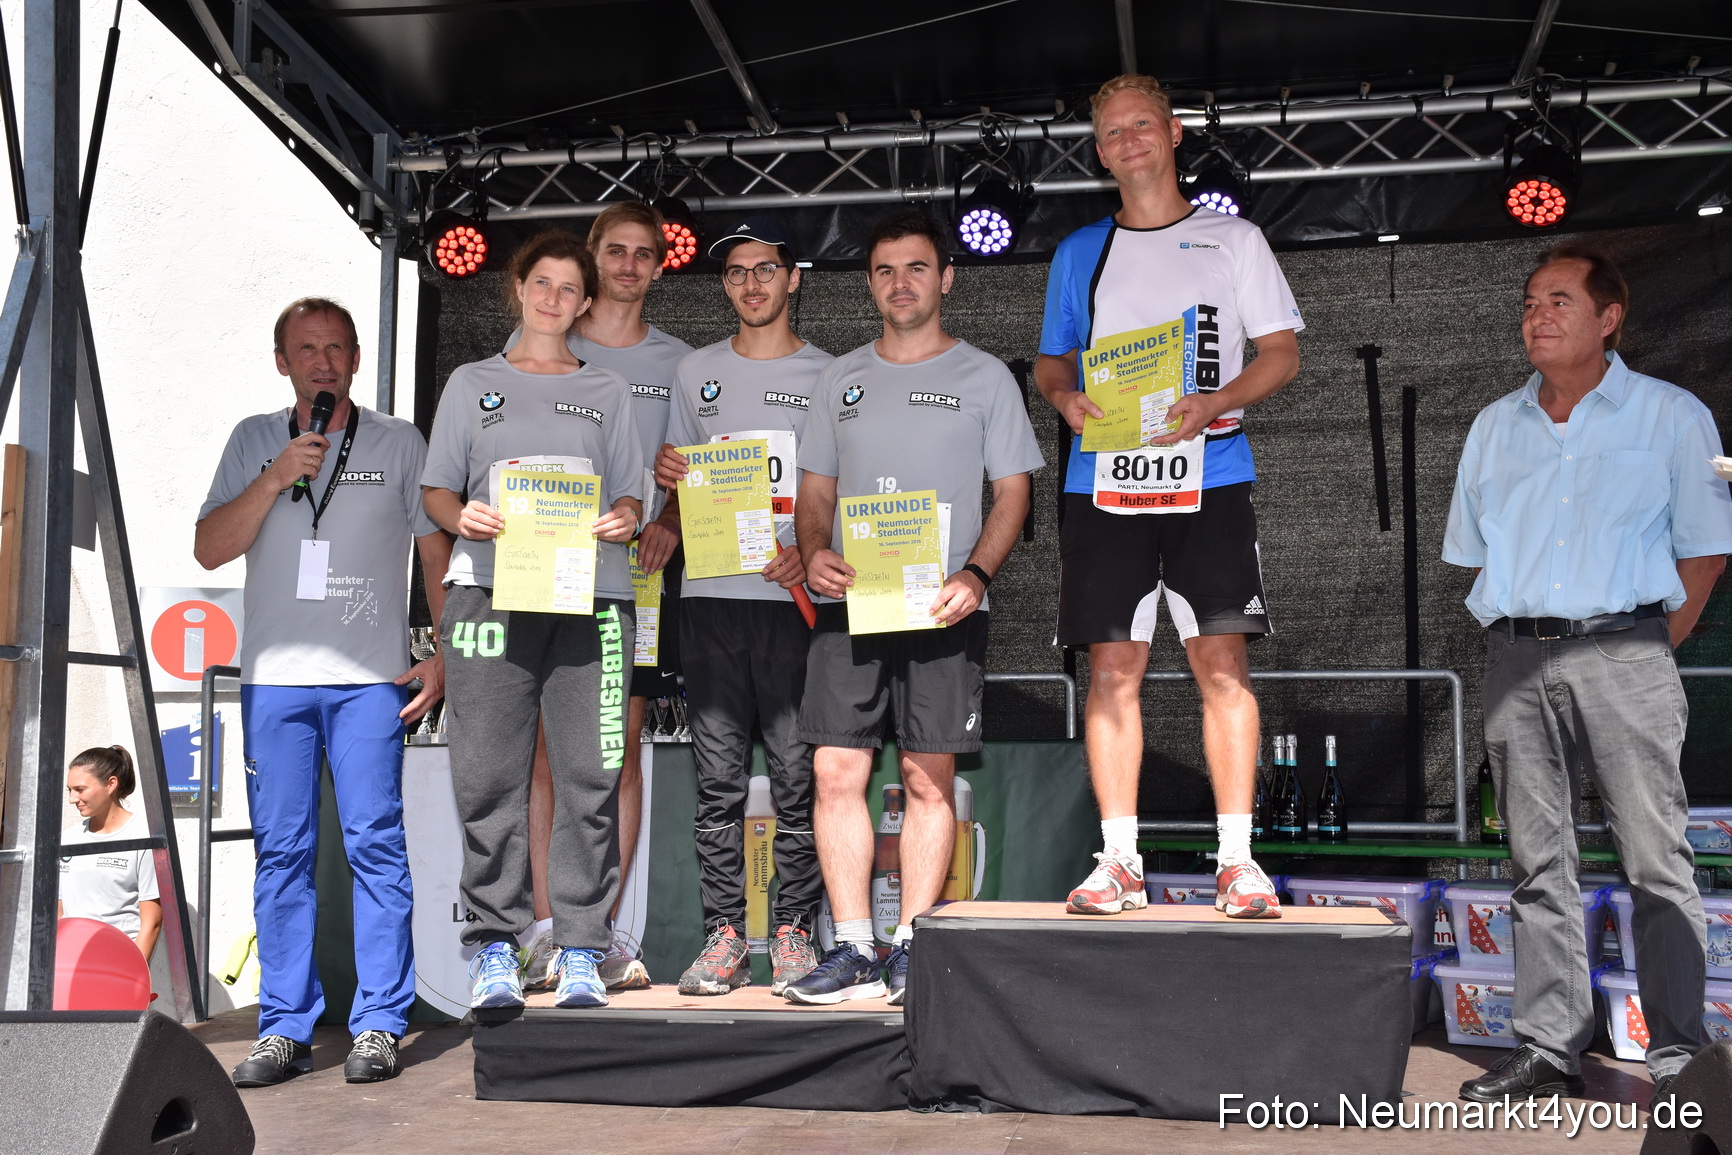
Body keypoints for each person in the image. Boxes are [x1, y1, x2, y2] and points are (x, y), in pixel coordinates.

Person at [1445, 244, 1732, 1103]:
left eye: (1560, 301)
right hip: (1516, 653)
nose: (1538, 315)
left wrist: (1644, 647)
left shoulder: (1672, 416)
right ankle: (1546, 1045)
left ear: (1611, 318)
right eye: (1531, 302)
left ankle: (1680, 1051)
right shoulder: (1495, 424)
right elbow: (1472, 551)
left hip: (1627, 647)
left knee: (1656, 857)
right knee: (1536, 862)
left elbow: (1706, 553)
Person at [1035, 73, 1302, 920]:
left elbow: (1282, 353)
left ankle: (1237, 860)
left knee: (1221, 663)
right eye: (1111, 132)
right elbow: (1052, 361)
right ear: (1099, 148)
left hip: (1211, 473)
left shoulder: (1233, 238)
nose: (1127, 142)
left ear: (1174, 130)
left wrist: (1216, 402)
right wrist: (1065, 400)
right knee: (1115, 666)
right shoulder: (1082, 250)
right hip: (1104, 481)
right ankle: (1119, 860)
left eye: (1141, 125)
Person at [788, 209, 1042, 1006]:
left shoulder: (986, 376)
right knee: (835, 770)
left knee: (928, 780)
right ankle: (853, 944)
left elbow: (1013, 491)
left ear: (946, 278)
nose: (902, 283)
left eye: (917, 268)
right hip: (851, 602)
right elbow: (814, 492)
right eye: (886, 270)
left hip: (944, 607)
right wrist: (816, 546)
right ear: (870, 284)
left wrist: (976, 573)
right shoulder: (840, 377)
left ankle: (912, 945)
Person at [195, 297, 450, 1086]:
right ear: (283, 362)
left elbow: (433, 551)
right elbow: (208, 548)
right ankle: (284, 1026)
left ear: (356, 360)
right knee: (282, 854)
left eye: (337, 347)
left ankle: (378, 1022)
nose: (324, 361)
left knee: (376, 845)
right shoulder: (252, 440)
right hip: (275, 681)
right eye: (307, 348)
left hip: (370, 681)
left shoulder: (400, 441)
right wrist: (275, 477)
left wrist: (444, 652)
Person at [421, 229, 644, 1011]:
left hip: (593, 598)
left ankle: (582, 946)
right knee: (488, 776)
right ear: (517, 288)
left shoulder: (609, 390)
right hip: (487, 591)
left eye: (568, 288)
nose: (553, 298)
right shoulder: (470, 382)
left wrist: (621, 516)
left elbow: (631, 496)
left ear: (587, 303)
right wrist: (467, 514)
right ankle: (495, 948)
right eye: (539, 283)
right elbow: (436, 493)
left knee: (591, 772)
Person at [649, 216, 831, 996]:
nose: (751, 284)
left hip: (791, 603)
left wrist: (811, 548)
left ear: (794, 279)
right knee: (717, 784)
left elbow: (836, 488)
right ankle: (723, 936)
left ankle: (794, 933)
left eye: (766, 269)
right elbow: (679, 486)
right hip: (711, 601)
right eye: (735, 273)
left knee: (798, 780)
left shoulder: (834, 374)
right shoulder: (695, 374)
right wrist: (666, 489)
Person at [517, 202, 694, 993]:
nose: (627, 265)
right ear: (590, 260)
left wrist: (671, 522)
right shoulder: (543, 346)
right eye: (613, 251)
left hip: (640, 578)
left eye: (642, 254)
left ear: (660, 266)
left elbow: (700, 468)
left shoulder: (684, 362)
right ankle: (552, 929)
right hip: (546, 573)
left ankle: (608, 934)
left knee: (617, 754)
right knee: (551, 756)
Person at [60, 746, 161, 961]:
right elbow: (59, 913)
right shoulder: (67, 839)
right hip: (70, 962)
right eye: (69, 790)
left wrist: (134, 975)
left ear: (111, 784)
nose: (71, 799)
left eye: (80, 789)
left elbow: (152, 923)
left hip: (118, 961)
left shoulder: (145, 837)